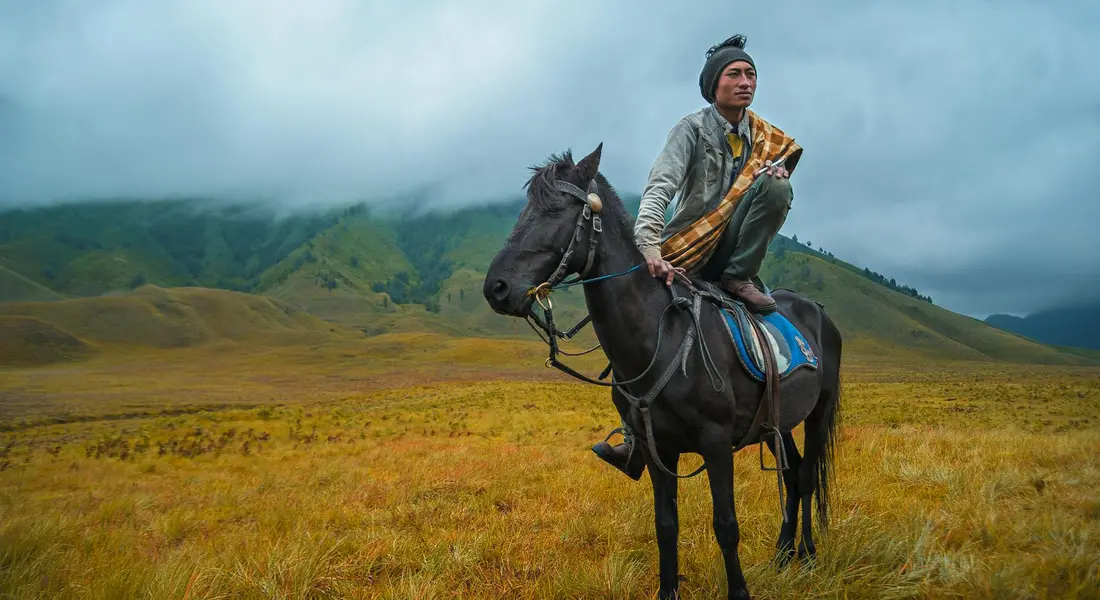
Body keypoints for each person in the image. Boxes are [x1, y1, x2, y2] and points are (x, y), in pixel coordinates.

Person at [592, 34, 803, 480]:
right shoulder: (690, 129)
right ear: (713, 86)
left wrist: (773, 178)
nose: (745, 82)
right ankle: (634, 440)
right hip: (686, 248)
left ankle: (739, 281)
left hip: (732, 254)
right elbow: (661, 187)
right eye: (735, 74)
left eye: (751, 74)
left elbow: (764, 200)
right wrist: (648, 245)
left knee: (779, 185)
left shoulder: (765, 137)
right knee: (637, 335)